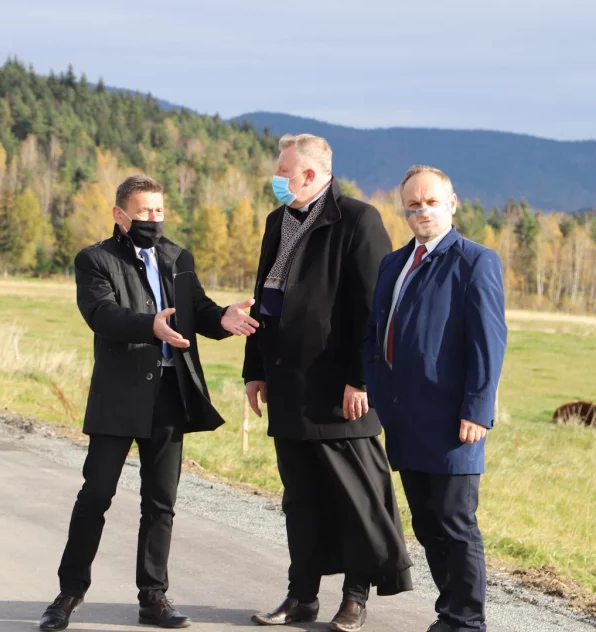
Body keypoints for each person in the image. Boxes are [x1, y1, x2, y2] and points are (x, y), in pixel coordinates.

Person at [38, 174, 259, 630]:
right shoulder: (94, 259)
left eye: (159, 211)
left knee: (161, 502)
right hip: (119, 397)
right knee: (95, 496)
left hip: (170, 396)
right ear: (120, 215)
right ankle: (68, 594)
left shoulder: (178, 257)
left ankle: (153, 597)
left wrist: (224, 317)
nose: (153, 220)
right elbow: (102, 315)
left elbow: (196, 309)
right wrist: (149, 326)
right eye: (144, 212)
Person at [243, 134, 412, 631]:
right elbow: (264, 299)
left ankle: (355, 599)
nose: (276, 179)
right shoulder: (279, 221)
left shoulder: (357, 220)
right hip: (288, 389)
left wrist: (361, 379)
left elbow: (375, 311)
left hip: (342, 396)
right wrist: (254, 369)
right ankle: (301, 598)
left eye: (283, 171)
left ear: (312, 175)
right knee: (301, 500)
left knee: (354, 501)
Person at [363, 166, 507, 632]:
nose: (421, 210)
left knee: (455, 521)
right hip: (405, 418)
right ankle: (450, 613)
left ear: (452, 204)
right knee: (426, 524)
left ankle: (466, 622)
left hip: (453, 421)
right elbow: (375, 334)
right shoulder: (394, 262)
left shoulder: (475, 261)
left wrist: (478, 409)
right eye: (413, 203)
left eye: (431, 202)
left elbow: (489, 341)